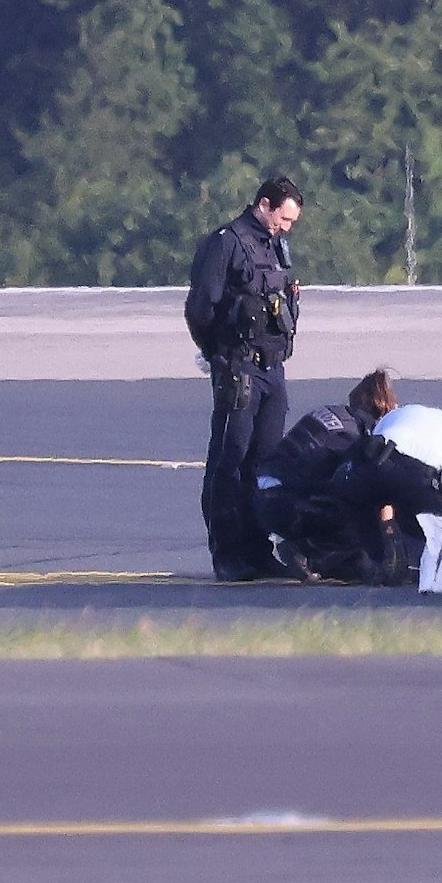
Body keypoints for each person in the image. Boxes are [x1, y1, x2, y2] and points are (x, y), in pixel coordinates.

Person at [185, 176, 304, 581]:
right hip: (239, 368)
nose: (286, 227)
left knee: (265, 463)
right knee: (229, 462)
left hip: (273, 369)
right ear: (264, 204)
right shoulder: (226, 243)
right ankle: (228, 552)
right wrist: (218, 357)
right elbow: (200, 308)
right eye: (283, 218)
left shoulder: (273, 245)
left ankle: (258, 549)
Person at [289, 403, 442, 585]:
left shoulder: (395, 416)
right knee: (433, 519)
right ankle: (430, 565)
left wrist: (386, 532)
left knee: (354, 498)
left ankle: (378, 560)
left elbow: (374, 459)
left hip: (375, 463)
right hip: (422, 481)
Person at [251, 369, 398, 575]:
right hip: (289, 504)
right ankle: (317, 557)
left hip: (264, 496)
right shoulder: (354, 435)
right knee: (359, 510)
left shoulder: (332, 413)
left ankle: (299, 544)